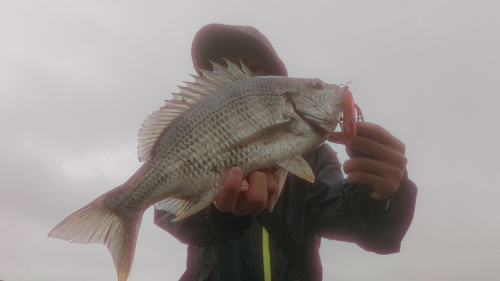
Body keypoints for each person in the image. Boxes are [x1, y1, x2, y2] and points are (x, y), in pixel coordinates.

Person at [154, 24, 417, 281]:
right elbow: (169, 213)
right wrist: (221, 216)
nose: (238, 83)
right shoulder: (191, 148)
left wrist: (383, 196)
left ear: (275, 83)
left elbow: (360, 224)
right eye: (223, 72)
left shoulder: (313, 156)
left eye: (252, 68)